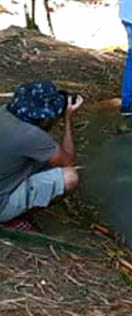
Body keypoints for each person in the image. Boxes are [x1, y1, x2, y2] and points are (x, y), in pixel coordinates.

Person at [0, 81, 82, 229]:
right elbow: (68, 161)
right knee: (70, 177)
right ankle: (13, 218)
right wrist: (68, 119)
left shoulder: (4, 111)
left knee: (46, 160)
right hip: (1, 206)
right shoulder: (31, 135)